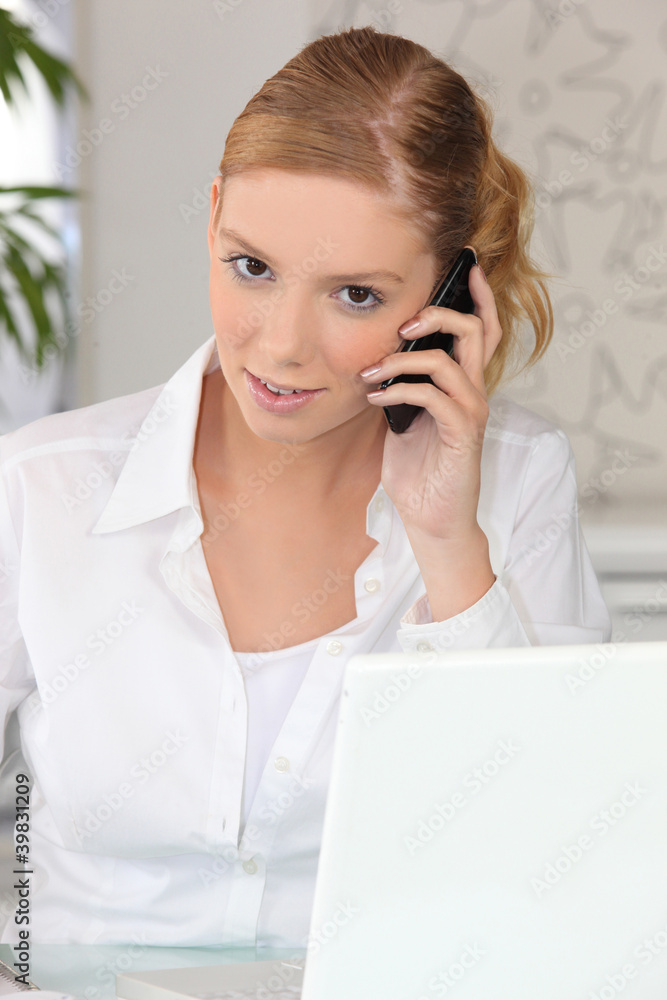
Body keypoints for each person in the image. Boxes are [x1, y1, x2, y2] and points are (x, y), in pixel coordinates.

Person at [0, 26, 611, 949]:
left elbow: (550, 858)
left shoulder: (517, 484)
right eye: (252, 267)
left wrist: (448, 545)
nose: (282, 345)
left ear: (450, 296)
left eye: (355, 295)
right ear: (211, 220)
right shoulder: (39, 489)